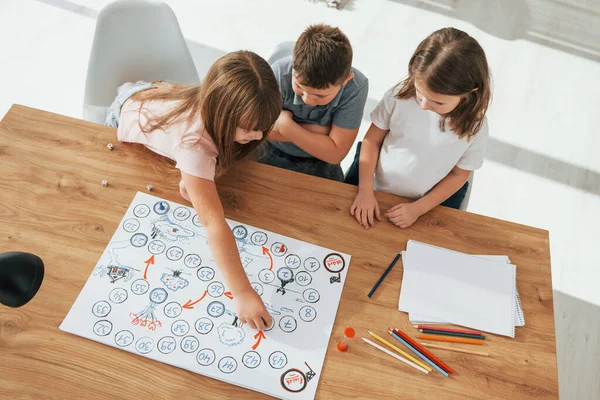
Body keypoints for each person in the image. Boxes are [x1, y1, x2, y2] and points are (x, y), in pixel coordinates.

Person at [105, 51, 281, 329]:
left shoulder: (214, 112)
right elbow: (212, 223)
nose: (258, 136)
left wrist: (195, 182)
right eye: (249, 128)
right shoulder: (194, 145)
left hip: (154, 97)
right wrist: (244, 293)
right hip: (125, 111)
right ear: (222, 113)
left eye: (263, 127)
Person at [347, 27, 491, 229]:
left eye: (437, 102)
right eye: (419, 93)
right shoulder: (399, 96)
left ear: (470, 94)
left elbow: (459, 175)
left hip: (424, 206)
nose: (423, 105)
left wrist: (418, 209)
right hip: (372, 187)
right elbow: (371, 141)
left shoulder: (475, 128)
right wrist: (365, 191)